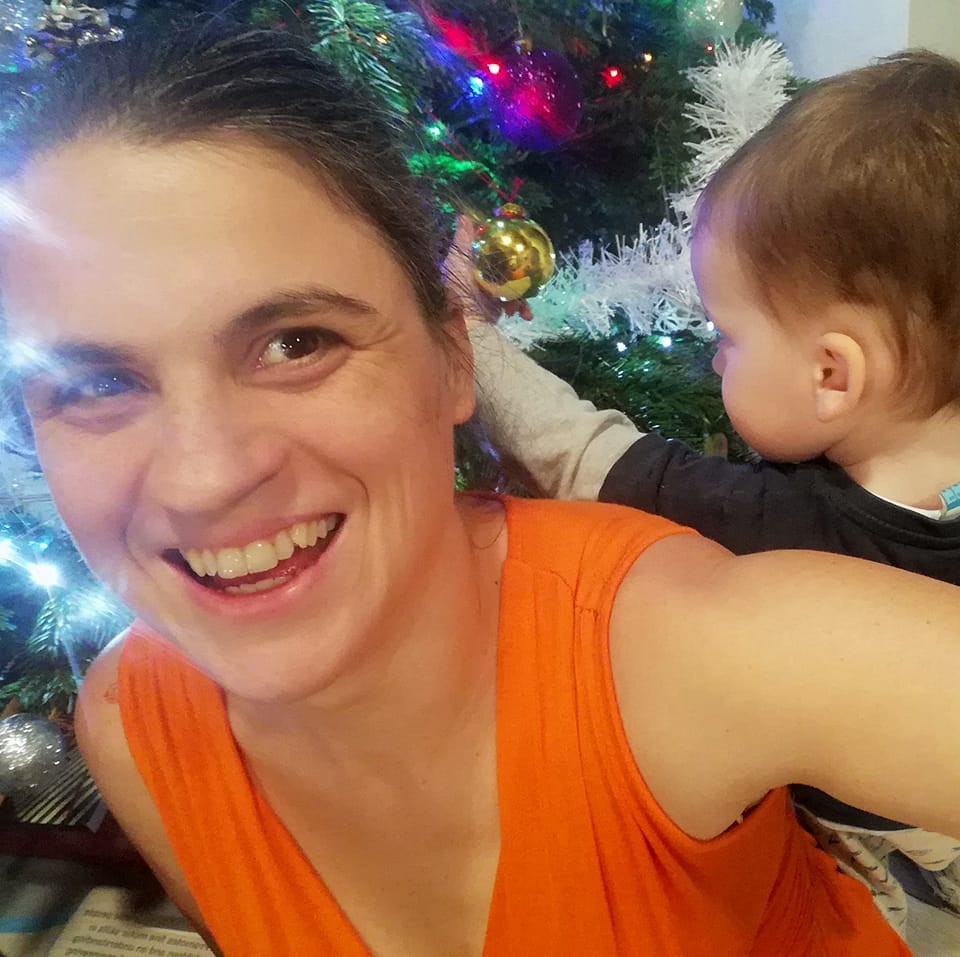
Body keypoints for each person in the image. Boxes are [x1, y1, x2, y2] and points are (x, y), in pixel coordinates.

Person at [2, 24, 960, 957]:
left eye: (298, 342)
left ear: (455, 359)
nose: (205, 477)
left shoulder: (678, 652)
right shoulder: (133, 727)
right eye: (95, 383)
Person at [462, 49, 960, 937]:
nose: (714, 358)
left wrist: (466, 336)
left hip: (851, 829)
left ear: (832, 374)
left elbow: (579, 453)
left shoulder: (776, 526)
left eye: (726, 335)